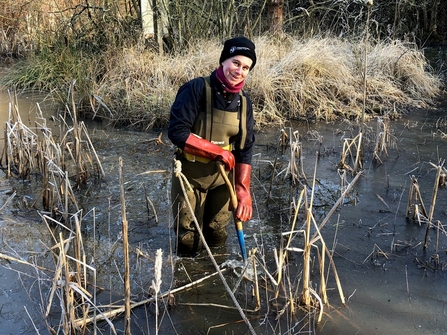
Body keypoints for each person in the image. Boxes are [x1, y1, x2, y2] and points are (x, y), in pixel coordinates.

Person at [168, 36, 256, 255]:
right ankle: (188, 278)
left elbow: (245, 148)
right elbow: (177, 133)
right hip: (190, 176)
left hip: (222, 181)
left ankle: (214, 279)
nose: (239, 71)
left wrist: (243, 190)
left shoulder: (245, 103)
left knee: (217, 232)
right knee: (188, 237)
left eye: (246, 67)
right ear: (223, 61)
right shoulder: (196, 88)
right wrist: (217, 152)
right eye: (235, 63)